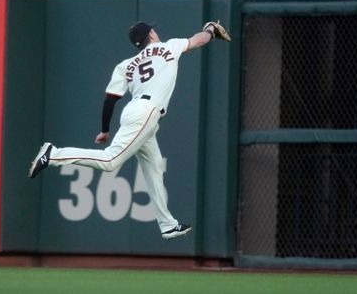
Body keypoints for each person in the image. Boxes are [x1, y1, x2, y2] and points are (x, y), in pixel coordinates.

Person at [28, 21, 228, 239]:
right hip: (147, 112)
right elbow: (199, 40)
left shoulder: (126, 65)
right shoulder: (169, 46)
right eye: (152, 29)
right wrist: (210, 30)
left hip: (134, 111)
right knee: (110, 161)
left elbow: (110, 100)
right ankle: (54, 154)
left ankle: (167, 224)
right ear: (151, 34)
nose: (155, 30)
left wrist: (105, 130)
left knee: (154, 169)